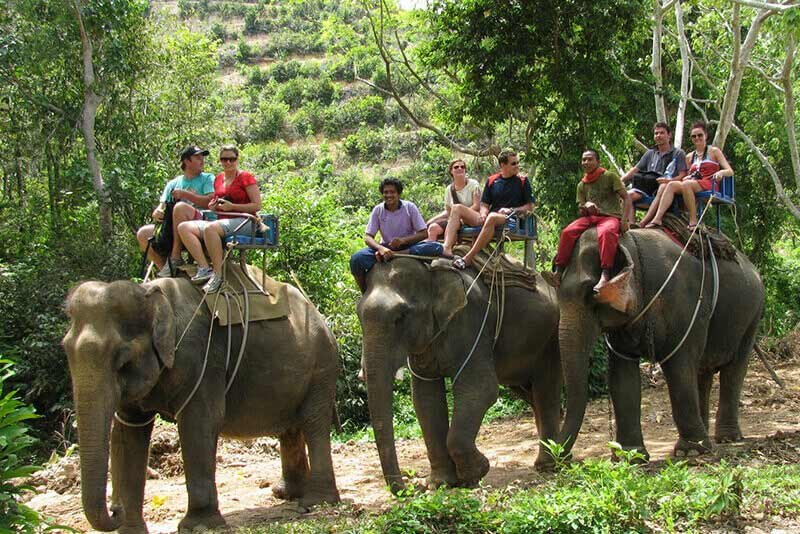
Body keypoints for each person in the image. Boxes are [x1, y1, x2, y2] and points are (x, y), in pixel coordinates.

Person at [177, 145, 261, 293]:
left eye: (231, 159)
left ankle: (218, 275)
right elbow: (215, 202)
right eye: (224, 159)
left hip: (245, 220)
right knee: (184, 227)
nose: (228, 162)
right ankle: (204, 268)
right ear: (220, 161)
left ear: (237, 159)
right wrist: (213, 206)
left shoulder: (245, 177)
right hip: (222, 221)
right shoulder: (218, 179)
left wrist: (232, 206)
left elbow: (257, 205)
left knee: (211, 228)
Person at [553, 150, 630, 291]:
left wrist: (624, 220)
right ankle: (559, 271)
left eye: (589, 159)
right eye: (583, 160)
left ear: (598, 161)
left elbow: (627, 198)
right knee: (567, 232)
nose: (586, 163)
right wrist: (586, 206)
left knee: (606, 233)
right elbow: (581, 210)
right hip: (590, 217)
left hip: (610, 216)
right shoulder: (581, 185)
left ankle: (606, 274)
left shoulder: (609, 176)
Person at [349, 178, 442, 293]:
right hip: (386, 247)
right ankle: (364, 291)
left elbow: (424, 233)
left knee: (436, 247)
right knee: (356, 259)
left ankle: (395, 254)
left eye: (392, 192)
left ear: (398, 193)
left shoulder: (409, 207)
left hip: (408, 247)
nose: (389, 195)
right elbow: (368, 237)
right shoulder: (378, 210)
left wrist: (403, 241)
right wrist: (381, 248)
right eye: (385, 192)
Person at [136, 145, 215, 277]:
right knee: (143, 233)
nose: (202, 161)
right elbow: (161, 206)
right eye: (197, 157)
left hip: (201, 225)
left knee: (180, 207)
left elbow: (210, 202)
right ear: (187, 161)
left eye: (202, 157)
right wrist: (157, 212)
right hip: (173, 229)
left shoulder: (208, 178)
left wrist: (186, 195)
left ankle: (175, 257)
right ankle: (166, 271)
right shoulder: (174, 183)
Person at [640, 121, 733, 231]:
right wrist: (670, 180)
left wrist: (721, 173)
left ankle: (693, 221)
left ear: (706, 136)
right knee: (672, 185)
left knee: (687, 184)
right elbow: (688, 175)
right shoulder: (689, 156)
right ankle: (657, 218)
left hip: (709, 183)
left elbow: (730, 171)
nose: (697, 138)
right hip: (692, 183)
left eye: (700, 135)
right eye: (694, 136)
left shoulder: (714, 151)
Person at [451, 150, 533, 270]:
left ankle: (468, 258)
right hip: (490, 217)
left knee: (492, 217)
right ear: (503, 165)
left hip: (510, 219)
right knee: (457, 208)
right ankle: (447, 248)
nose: (517, 166)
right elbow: (484, 204)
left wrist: (510, 210)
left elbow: (530, 206)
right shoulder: (492, 180)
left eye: (517, 163)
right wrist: (483, 213)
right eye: (513, 163)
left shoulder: (522, 181)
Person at [621, 122, 688, 224]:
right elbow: (634, 170)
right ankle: (631, 225)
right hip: (647, 186)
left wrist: (669, 180)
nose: (658, 136)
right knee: (627, 195)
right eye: (656, 133)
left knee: (663, 186)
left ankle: (644, 222)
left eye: (662, 133)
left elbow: (683, 175)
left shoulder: (678, 153)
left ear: (669, 135)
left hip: (665, 187)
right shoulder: (650, 153)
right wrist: (620, 180)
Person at [426, 159, 481, 249]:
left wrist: (460, 215)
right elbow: (448, 211)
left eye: (462, 167)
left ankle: (446, 248)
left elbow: (476, 205)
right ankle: (430, 254)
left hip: (472, 217)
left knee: (457, 208)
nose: (459, 168)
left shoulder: (473, 184)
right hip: (455, 220)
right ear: (451, 171)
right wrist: (432, 220)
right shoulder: (449, 189)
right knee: (433, 227)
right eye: (456, 167)